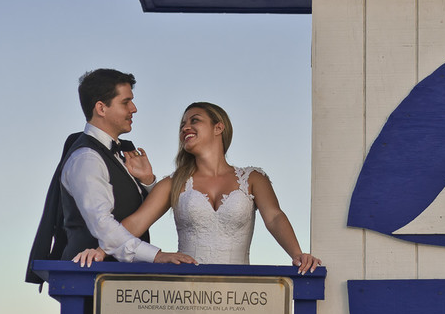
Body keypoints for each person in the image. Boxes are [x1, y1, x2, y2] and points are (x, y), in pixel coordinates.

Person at [74, 101, 320, 273]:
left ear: (218, 127)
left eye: (195, 120)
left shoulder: (253, 178)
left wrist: (297, 254)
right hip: (186, 290)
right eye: (182, 124)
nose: (185, 127)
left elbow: (274, 217)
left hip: (240, 293)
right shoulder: (174, 183)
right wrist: (99, 250)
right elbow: (137, 222)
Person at [26, 69, 194, 285]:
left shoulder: (119, 155)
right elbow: (103, 225)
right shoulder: (87, 158)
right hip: (89, 282)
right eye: (126, 102)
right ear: (101, 108)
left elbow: (142, 212)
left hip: (117, 283)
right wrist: (156, 256)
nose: (134, 108)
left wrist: (148, 181)